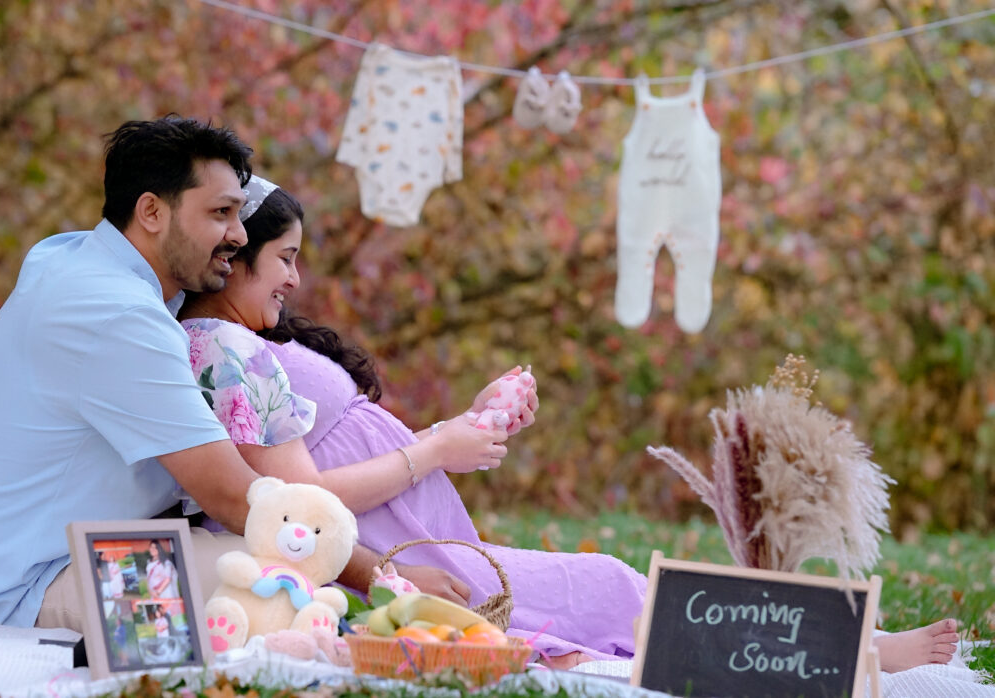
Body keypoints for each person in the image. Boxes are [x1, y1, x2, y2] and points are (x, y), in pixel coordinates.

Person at [177, 177, 962, 672]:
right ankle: (845, 651)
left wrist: (456, 427)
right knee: (612, 586)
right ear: (235, 253)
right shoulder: (223, 348)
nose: (293, 276)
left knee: (608, 588)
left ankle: (841, 647)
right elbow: (295, 499)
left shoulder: (251, 342)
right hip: (386, 551)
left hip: (412, 528)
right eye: (281, 257)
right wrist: (430, 451)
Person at [0, 116, 469, 633]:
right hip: (36, 580)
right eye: (220, 213)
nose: (238, 236)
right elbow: (236, 498)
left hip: (28, 557)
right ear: (151, 211)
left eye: (239, 215)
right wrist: (388, 576)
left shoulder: (77, 259)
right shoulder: (118, 316)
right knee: (294, 579)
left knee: (298, 566)